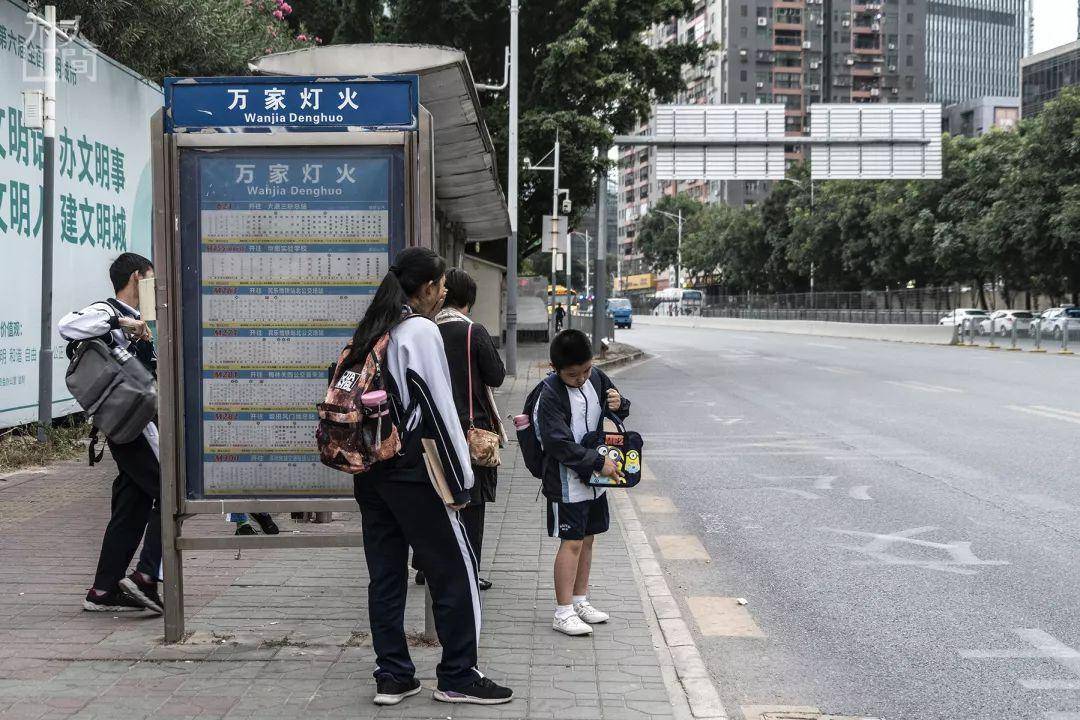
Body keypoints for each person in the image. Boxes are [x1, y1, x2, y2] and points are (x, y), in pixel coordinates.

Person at [347, 247, 513, 707]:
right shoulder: (418, 330)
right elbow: (438, 407)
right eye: (440, 285)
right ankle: (459, 673)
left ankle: (393, 675)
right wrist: (461, 481)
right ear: (425, 289)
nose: (444, 293)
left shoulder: (374, 325)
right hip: (415, 474)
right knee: (456, 569)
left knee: (385, 576)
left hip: (372, 470)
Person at [58, 253, 164, 615]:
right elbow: (67, 326)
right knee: (172, 492)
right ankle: (146, 576)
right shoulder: (107, 312)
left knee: (132, 505)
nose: (154, 285)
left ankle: (103, 590)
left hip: (137, 423)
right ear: (136, 277)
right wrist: (121, 322)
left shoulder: (149, 318)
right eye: (151, 278)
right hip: (132, 425)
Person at [534, 329, 630, 636]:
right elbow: (556, 442)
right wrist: (597, 462)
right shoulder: (549, 393)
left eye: (586, 370)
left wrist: (619, 402)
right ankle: (562, 612)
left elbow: (619, 409)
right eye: (573, 374)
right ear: (556, 368)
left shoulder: (598, 378)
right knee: (572, 541)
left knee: (588, 538)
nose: (582, 378)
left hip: (596, 478)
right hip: (567, 480)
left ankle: (580, 601)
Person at [428, 268, 506, 592]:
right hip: (472, 433)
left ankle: (428, 565)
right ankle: (469, 571)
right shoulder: (473, 332)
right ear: (469, 301)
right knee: (472, 504)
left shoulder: (427, 331)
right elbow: (497, 375)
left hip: (433, 430)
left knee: (437, 497)